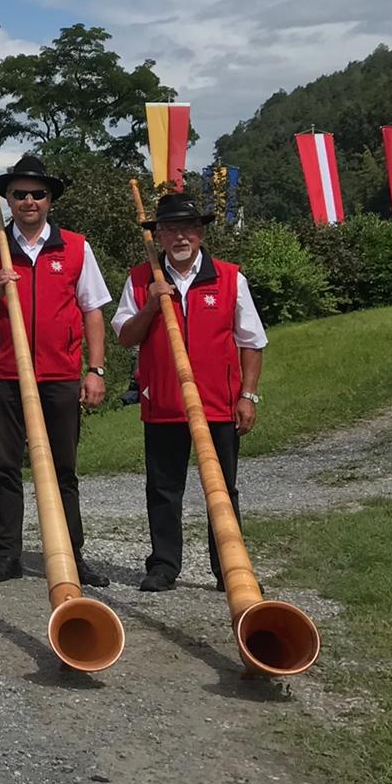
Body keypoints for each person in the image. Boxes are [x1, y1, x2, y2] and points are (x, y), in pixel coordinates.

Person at [0, 155, 113, 586]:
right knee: (6, 467)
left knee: (63, 469)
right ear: (7, 199)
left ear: (50, 200)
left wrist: (95, 369)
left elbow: (93, 312)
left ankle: (70, 555)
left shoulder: (76, 246)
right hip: (7, 373)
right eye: (20, 194)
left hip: (60, 374)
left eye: (37, 194)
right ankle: (6, 554)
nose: (29, 201)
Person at [113, 190, 268, 593]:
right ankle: (164, 565)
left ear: (200, 233)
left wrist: (248, 396)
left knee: (221, 490)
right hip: (163, 404)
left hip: (218, 406)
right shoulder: (140, 279)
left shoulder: (230, 277)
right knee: (163, 489)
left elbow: (252, 342)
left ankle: (229, 570)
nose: (179, 237)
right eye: (169, 229)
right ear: (158, 236)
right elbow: (125, 337)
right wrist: (150, 305)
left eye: (187, 228)